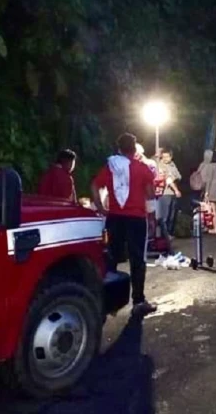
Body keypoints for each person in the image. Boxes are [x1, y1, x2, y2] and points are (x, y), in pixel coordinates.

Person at [92, 133, 158, 316]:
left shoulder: (111, 167)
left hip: (114, 217)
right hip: (136, 219)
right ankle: (138, 301)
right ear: (134, 148)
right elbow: (151, 195)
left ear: (119, 148)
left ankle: (106, 301)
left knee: (111, 258)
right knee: (137, 259)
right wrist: (152, 219)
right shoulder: (143, 168)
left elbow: (95, 185)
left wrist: (100, 207)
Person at [156, 147, 182, 235]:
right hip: (165, 193)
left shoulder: (172, 165)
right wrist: (176, 190)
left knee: (172, 214)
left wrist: (173, 177)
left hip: (172, 194)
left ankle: (169, 233)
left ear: (171, 157)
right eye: (163, 157)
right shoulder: (160, 165)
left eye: (167, 157)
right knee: (164, 215)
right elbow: (168, 179)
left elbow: (178, 176)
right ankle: (164, 235)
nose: (165, 159)